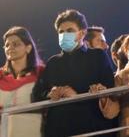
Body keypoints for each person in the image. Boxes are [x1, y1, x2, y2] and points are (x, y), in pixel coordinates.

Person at [32, 9, 116, 137]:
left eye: (70, 30)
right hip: (58, 130)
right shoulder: (53, 62)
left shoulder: (97, 56)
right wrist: (51, 93)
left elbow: (109, 87)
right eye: (61, 32)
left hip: (92, 128)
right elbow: (37, 95)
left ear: (82, 33)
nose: (64, 34)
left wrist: (76, 95)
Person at [0, 27, 45, 137]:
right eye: (7, 45)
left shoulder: (42, 73)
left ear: (28, 48)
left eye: (16, 44)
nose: (10, 48)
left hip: (33, 131)